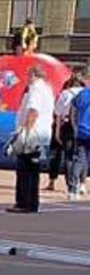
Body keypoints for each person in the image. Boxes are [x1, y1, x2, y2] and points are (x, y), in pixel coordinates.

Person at [8, 67, 54, 213]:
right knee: (33, 169)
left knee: (24, 168)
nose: (26, 78)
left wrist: (25, 132)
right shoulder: (47, 90)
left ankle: (24, 202)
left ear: (33, 75)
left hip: (32, 133)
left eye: (28, 74)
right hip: (42, 133)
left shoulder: (35, 90)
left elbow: (33, 111)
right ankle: (31, 202)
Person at [47, 76, 82, 192]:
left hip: (66, 125)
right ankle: (80, 183)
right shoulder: (85, 93)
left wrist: (57, 131)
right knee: (80, 156)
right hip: (83, 125)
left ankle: (66, 183)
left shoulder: (65, 93)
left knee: (64, 156)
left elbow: (58, 113)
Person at [69, 69, 90, 201]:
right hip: (84, 130)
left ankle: (73, 187)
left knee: (79, 159)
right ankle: (82, 184)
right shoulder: (82, 94)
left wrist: (74, 125)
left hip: (82, 130)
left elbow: (72, 110)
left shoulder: (82, 94)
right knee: (85, 159)